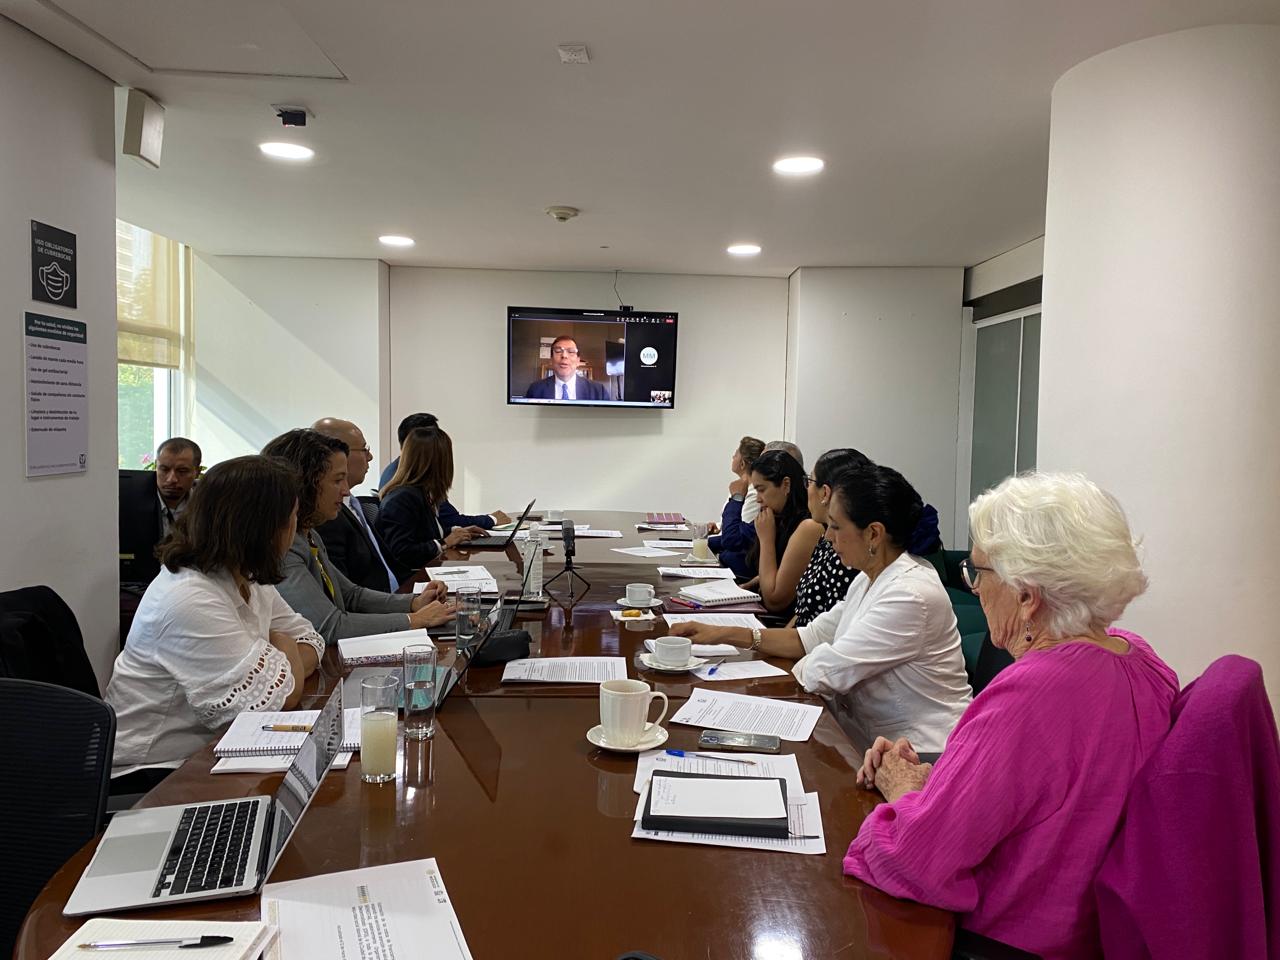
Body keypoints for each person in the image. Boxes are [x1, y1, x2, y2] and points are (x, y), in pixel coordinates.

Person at [845, 473, 1178, 959]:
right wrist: (938, 781)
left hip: (1006, 938)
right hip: (1098, 935)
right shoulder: (1147, 664)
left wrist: (905, 790)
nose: (975, 589)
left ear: (1026, 595)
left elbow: (914, 860)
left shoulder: (1030, 694)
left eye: (978, 572)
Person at [672, 463, 971, 753]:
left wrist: (803, 662)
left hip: (924, 756)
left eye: (836, 527)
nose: (827, 536)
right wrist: (722, 634)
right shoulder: (870, 579)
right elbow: (811, 637)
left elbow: (825, 671)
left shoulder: (910, 595)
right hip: (869, 742)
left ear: (874, 534)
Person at [105, 456, 324, 786]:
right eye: (292, 518)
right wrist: (284, 646)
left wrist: (283, 654)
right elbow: (273, 703)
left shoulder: (247, 576)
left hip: (212, 751)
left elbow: (312, 641)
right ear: (263, 527)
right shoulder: (190, 598)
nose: (295, 529)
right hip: (154, 772)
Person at [263, 429, 454, 644]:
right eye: (337, 481)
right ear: (304, 485)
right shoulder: (284, 547)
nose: (346, 491)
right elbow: (330, 626)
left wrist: (413, 603)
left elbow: (351, 595)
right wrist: (413, 620)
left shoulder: (309, 534)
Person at [311, 417, 408, 592]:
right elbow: (347, 597)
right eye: (364, 449)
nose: (370, 457)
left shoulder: (352, 503)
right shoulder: (326, 516)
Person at [378, 412, 509, 531]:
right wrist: (492, 519)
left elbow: (435, 527)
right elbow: (448, 520)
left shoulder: (408, 477)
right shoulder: (407, 489)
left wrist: (452, 532)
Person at [377, 427, 482, 571]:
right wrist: (444, 542)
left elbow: (422, 533)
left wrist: (455, 531)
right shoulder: (401, 499)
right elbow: (402, 552)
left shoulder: (420, 492)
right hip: (413, 580)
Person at [792, 448, 867, 627]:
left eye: (809, 481)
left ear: (825, 493)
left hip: (816, 651)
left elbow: (826, 633)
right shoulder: (826, 538)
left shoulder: (847, 552)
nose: (807, 489)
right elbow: (803, 616)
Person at [745, 449, 824, 616]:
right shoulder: (782, 518)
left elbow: (774, 600)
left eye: (761, 489)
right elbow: (783, 569)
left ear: (786, 485)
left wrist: (766, 540)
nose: (758, 498)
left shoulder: (809, 526)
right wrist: (750, 585)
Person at [119, 437, 203, 587]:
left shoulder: (206, 503)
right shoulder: (128, 498)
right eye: (164, 469)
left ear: (197, 472)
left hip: (192, 583)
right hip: (144, 584)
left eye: (182, 471)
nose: (171, 479)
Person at [707, 435, 764, 578]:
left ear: (743, 464)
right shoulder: (740, 487)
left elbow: (736, 535)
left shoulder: (753, 494)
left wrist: (707, 541)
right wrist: (719, 526)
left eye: (736, 454)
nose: (733, 456)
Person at [524, 335, 611, 401]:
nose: (564, 356)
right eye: (558, 351)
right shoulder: (535, 390)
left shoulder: (598, 391)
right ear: (551, 360)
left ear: (578, 361)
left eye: (571, 351)